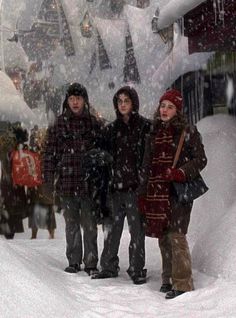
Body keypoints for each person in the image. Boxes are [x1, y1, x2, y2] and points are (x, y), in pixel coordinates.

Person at [138, 89, 207, 298]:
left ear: (178, 110)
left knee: (177, 236)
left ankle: (183, 283)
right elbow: (146, 165)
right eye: (163, 106)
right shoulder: (153, 133)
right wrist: (143, 194)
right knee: (163, 237)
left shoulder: (188, 131)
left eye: (170, 106)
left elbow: (201, 160)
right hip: (157, 192)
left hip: (177, 191)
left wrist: (180, 172)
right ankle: (167, 279)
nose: (165, 110)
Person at [92, 86, 151, 284]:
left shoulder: (145, 127)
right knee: (111, 230)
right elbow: (99, 154)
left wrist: (143, 179)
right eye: (119, 101)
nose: (123, 104)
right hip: (115, 189)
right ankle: (108, 266)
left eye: (126, 101)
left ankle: (136, 268)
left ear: (133, 102)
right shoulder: (110, 130)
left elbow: (149, 157)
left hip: (136, 188)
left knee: (137, 231)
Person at [43, 82, 103, 275]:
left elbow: (102, 154)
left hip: (88, 184)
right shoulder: (59, 124)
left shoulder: (93, 124)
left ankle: (91, 262)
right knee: (71, 225)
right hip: (67, 183)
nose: (75, 102)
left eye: (78, 98)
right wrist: (47, 180)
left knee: (90, 225)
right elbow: (49, 154)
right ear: (66, 101)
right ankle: (74, 261)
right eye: (71, 99)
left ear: (84, 101)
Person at [0, 122, 29, 239]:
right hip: (15, 181)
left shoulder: (7, 146)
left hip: (10, 182)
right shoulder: (18, 147)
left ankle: (8, 230)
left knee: (8, 205)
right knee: (12, 206)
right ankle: (10, 230)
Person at [27, 125, 56, 239]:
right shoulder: (34, 153)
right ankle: (34, 234)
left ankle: (51, 233)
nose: (40, 140)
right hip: (37, 185)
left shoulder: (49, 152)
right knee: (36, 209)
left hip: (46, 184)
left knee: (48, 209)